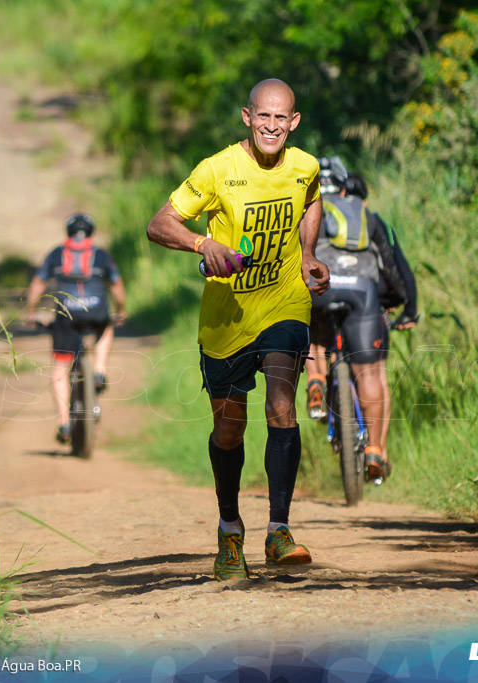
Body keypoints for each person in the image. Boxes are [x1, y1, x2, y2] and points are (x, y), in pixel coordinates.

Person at [146, 78, 329, 581]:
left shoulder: (305, 166)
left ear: (293, 123)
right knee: (229, 429)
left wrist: (308, 253)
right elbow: (159, 223)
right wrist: (203, 244)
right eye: (263, 116)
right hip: (226, 316)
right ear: (248, 118)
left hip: (284, 303)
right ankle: (230, 530)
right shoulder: (217, 170)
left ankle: (279, 530)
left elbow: (312, 199)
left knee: (281, 405)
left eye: (282, 118)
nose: (273, 125)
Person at [304, 159, 417, 483]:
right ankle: (374, 452)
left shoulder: (305, 211)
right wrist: (404, 304)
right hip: (362, 293)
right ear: (344, 186)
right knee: (370, 373)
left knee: (314, 324)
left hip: (319, 287)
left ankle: (316, 380)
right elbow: (395, 266)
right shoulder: (367, 216)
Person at [25, 213, 127, 445]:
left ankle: (64, 424)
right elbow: (117, 285)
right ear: (91, 232)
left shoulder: (56, 253)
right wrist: (121, 310)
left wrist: (31, 312)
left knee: (60, 368)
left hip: (66, 314)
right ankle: (99, 371)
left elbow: (38, 283)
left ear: (67, 232)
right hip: (98, 311)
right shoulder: (101, 254)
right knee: (107, 326)